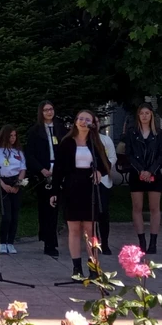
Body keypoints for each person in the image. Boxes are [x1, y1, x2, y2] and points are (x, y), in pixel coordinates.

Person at [51, 110, 110, 278]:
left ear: (93, 123)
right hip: (72, 187)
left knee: (91, 229)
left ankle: (93, 268)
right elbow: (59, 170)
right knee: (74, 229)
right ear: (76, 121)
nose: (84, 121)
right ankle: (77, 269)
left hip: (89, 187)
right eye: (81, 118)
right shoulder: (67, 142)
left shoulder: (95, 142)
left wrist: (99, 172)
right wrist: (55, 191)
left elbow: (106, 165)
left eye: (87, 119)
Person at [25, 101, 67, 257]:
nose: (49, 112)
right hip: (43, 173)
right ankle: (46, 238)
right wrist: (41, 169)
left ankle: (52, 242)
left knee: (54, 207)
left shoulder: (60, 129)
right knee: (45, 208)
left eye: (51, 109)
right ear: (41, 112)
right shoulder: (35, 131)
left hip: (58, 172)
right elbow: (30, 154)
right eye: (46, 110)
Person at [125, 103, 162, 254]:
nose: (144, 116)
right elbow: (128, 154)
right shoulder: (132, 133)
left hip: (154, 174)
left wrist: (150, 171)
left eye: (147, 113)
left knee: (155, 208)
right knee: (137, 208)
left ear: (151, 115)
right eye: (141, 113)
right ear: (138, 116)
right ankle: (141, 241)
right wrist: (141, 171)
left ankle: (153, 242)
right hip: (137, 174)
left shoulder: (158, 133)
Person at [0, 125, 27, 255]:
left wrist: (18, 184)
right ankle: (2, 242)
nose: (13, 138)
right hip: (3, 182)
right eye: (10, 136)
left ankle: (10, 242)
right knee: (6, 216)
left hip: (15, 182)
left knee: (15, 216)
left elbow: (22, 169)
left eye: (14, 135)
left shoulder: (18, 152)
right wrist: (3, 185)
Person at [95, 115, 117, 255]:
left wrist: (103, 170)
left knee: (103, 213)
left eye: (97, 122)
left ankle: (105, 242)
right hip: (87, 182)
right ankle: (93, 242)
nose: (95, 124)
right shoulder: (82, 141)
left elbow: (112, 157)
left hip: (103, 181)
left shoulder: (105, 139)